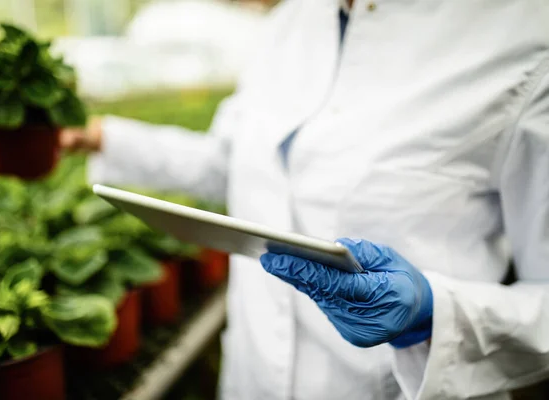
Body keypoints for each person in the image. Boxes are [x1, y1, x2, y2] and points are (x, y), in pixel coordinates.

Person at [61, 0, 549, 398]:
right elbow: (236, 166)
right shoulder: (290, 23)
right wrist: (102, 137)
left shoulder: (525, 40)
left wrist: (436, 315)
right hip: (250, 379)